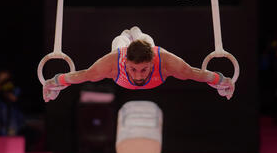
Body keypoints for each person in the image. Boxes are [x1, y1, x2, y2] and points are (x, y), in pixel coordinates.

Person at [42, 26, 235, 102]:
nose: (139, 75)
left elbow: (196, 73)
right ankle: (127, 35)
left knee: (147, 42)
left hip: (149, 53)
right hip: (119, 58)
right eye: (133, 69)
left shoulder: (166, 62)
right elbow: (81, 75)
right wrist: (55, 82)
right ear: (126, 63)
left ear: (153, 62)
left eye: (144, 69)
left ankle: (137, 32)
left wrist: (221, 80)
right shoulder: (113, 63)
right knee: (119, 44)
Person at [0, 70, 24, 136]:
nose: (3, 83)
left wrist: (7, 92)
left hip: (13, 123)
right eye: (1, 80)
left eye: (5, 80)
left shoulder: (15, 89)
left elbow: (14, 99)